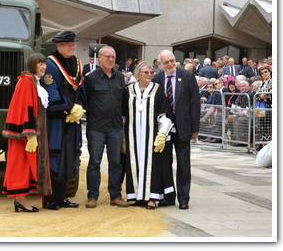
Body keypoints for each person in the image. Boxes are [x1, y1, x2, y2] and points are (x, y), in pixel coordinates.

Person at [1, 53, 52, 212]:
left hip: (31, 133)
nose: (43, 67)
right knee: (21, 166)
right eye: (40, 64)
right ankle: (21, 201)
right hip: (25, 134)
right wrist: (30, 134)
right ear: (32, 65)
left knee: (24, 166)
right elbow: (26, 107)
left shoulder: (33, 81)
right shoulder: (26, 82)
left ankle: (20, 200)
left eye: (44, 63)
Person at [41, 31, 84, 210]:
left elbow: (80, 89)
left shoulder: (76, 62)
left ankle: (63, 197)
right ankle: (50, 198)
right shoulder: (51, 63)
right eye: (68, 45)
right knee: (55, 157)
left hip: (72, 118)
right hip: (57, 118)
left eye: (73, 45)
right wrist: (69, 107)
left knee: (70, 157)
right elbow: (51, 91)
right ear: (59, 46)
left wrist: (80, 107)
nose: (72, 48)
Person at [153, 50, 200, 210]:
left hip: (183, 127)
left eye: (172, 60)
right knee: (164, 164)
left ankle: (184, 198)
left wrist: (195, 128)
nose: (170, 64)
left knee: (183, 164)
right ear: (160, 64)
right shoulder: (157, 78)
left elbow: (195, 103)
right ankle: (168, 196)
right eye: (166, 62)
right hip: (164, 129)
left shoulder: (187, 76)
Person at [83, 46, 129, 208]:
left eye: (113, 57)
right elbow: (85, 101)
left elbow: (124, 101)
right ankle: (92, 196)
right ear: (100, 58)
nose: (111, 60)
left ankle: (115, 196)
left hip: (116, 127)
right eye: (107, 56)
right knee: (94, 162)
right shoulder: (91, 78)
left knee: (116, 162)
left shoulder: (119, 77)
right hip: (96, 128)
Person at [125, 61, 174, 210]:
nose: (149, 75)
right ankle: (137, 196)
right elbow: (122, 112)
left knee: (153, 165)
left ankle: (152, 198)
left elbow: (165, 113)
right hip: (133, 135)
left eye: (151, 73)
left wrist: (162, 134)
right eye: (146, 72)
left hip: (151, 135)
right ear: (138, 74)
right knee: (134, 162)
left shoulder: (157, 90)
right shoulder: (129, 90)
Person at [255, 65, 272, 144]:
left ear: (270, 72)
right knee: (262, 125)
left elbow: (269, 93)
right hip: (262, 106)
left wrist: (264, 95)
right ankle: (262, 145)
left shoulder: (273, 81)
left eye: (265, 72)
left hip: (270, 106)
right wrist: (262, 96)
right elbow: (258, 96)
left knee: (269, 126)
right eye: (262, 73)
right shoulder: (261, 83)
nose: (264, 74)